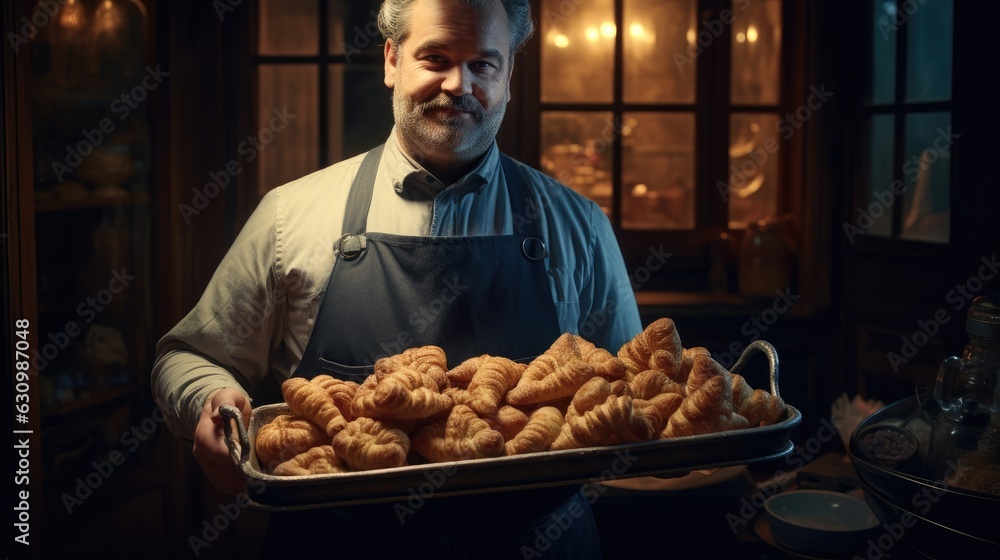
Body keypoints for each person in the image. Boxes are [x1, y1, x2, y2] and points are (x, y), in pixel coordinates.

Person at [152, 0, 642, 557]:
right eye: (435, 57)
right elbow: (185, 355)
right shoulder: (291, 216)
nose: (459, 85)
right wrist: (208, 398)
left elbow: (631, 387)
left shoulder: (578, 225)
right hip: (334, 541)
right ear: (391, 59)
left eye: (485, 64)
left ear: (509, 75)